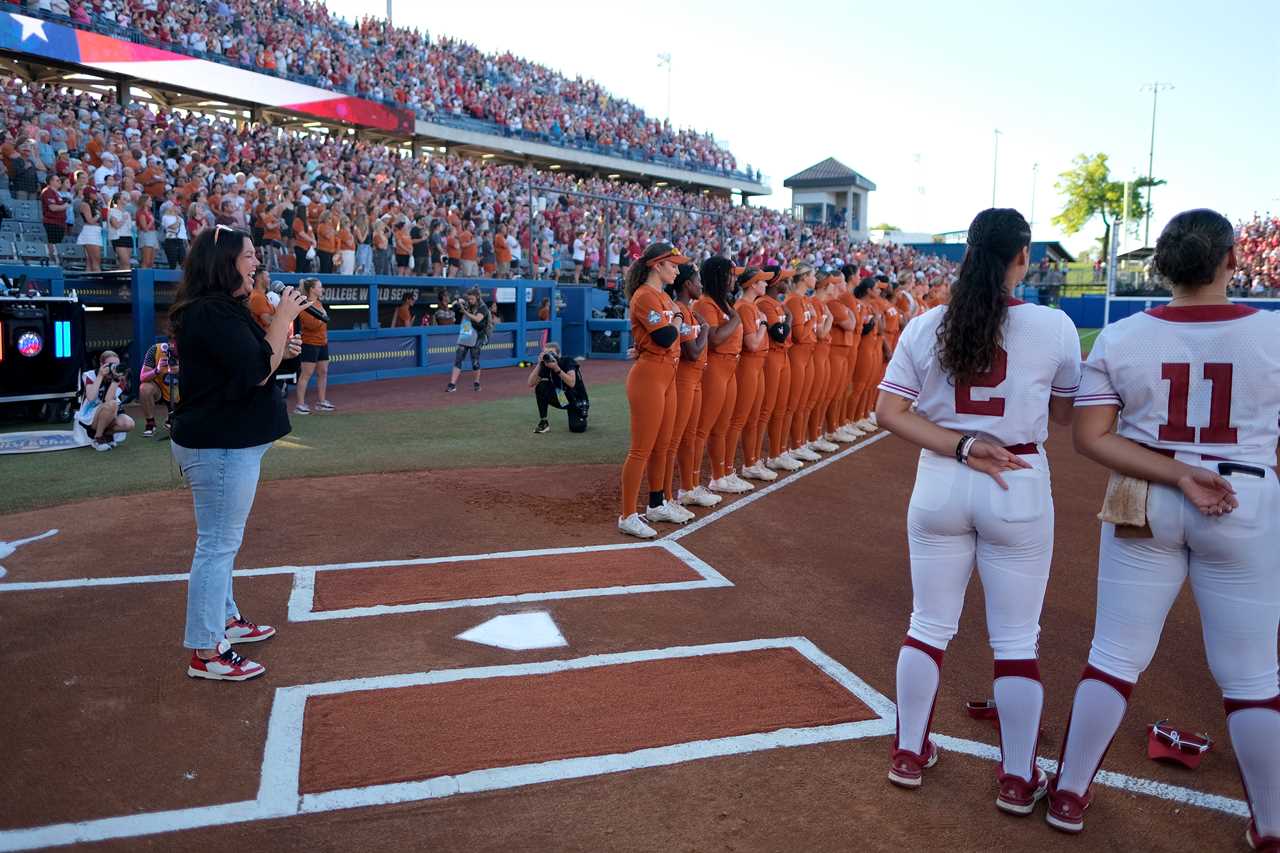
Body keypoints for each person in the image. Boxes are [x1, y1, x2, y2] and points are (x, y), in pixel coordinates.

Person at [1049, 209, 1280, 846]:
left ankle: (1068, 792)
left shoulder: (1122, 338)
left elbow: (1089, 437)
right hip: (1244, 497)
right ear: (1231, 260)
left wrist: (1177, 473)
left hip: (1145, 494)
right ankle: (1271, 824)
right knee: (1253, 675)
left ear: (1162, 265)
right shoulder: (1274, 334)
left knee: (1113, 656)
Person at [874, 208, 1080, 814]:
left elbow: (889, 413)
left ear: (967, 255)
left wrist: (961, 443)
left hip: (942, 477)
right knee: (1016, 640)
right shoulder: (1054, 325)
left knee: (927, 625)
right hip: (1016, 478)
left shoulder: (927, 324)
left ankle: (909, 751)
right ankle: (1018, 778)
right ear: (1022, 257)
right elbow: (1065, 418)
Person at [168, 224, 308, 681]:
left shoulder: (220, 309)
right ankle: (206, 651)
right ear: (225, 261)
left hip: (227, 441)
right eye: (248, 256)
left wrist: (280, 346)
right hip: (220, 444)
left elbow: (258, 365)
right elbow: (252, 372)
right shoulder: (212, 312)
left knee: (220, 544)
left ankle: (224, 619)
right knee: (217, 547)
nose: (256, 264)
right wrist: (282, 320)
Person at [618, 242, 689, 538]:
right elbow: (665, 336)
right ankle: (627, 514)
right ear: (657, 265)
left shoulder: (662, 296)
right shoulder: (645, 295)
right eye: (672, 264)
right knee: (641, 449)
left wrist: (677, 320)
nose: (677, 269)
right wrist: (678, 318)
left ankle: (657, 503)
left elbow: (679, 335)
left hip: (667, 374)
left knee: (664, 444)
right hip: (650, 375)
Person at [693, 256, 746, 495]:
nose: (733, 278)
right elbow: (715, 339)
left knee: (722, 427)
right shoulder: (706, 304)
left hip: (730, 369)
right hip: (715, 368)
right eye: (730, 274)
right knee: (702, 428)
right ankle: (691, 484)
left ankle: (720, 475)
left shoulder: (723, 303)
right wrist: (736, 319)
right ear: (718, 276)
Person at [669, 263, 716, 512]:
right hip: (684, 379)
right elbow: (693, 351)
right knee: (677, 439)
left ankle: (689, 487)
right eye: (697, 280)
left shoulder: (687, 310)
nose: (700, 285)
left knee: (690, 435)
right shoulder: (679, 309)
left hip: (694, 379)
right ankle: (670, 496)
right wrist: (706, 330)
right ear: (687, 284)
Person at [725, 267, 774, 483]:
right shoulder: (744, 308)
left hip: (758, 366)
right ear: (753, 284)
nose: (766, 285)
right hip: (747, 365)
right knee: (739, 419)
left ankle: (751, 463)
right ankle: (726, 470)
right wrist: (763, 324)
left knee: (754, 417)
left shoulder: (751, 307)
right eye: (762, 281)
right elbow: (752, 343)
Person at [758, 266, 798, 472]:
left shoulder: (777, 303)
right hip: (772, 356)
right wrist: (789, 318)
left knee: (781, 407)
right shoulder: (764, 302)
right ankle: (755, 460)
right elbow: (779, 333)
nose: (787, 282)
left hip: (782, 356)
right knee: (767, 409)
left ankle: (777, 453)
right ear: (774, 282)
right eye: (783, 279)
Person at [76, 350, 134, 451]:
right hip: (90, 415)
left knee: (129, 424)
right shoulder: (90, 375)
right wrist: (100, 376)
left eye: (116, 365)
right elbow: (91, 398)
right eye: (110, 364)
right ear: (101, 364)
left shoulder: (120, 378)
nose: (114, 367)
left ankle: (106, 434)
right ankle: (98, 438)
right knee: (111, 405)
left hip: (110, 411)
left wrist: (116, 380)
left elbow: (108, 399)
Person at [528, 342, 589, 434]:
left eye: (551, 353)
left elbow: (572, 383)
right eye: (546, 353)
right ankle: (543, 422)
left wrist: (556, 368)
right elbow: (530, 383)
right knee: (541, 386)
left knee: (577, 428)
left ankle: (579, 415)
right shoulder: (546, 365)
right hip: (562, 398)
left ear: (559, 355)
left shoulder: (567, 361)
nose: (549, 356)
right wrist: (539, 364)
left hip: (576, 399)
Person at [294, 277, 333, 414]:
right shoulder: (304, 305)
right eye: (319, 287)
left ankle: (322, 401)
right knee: (306, 374)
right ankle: (300, 404)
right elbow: (311, 325)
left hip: (322, 342)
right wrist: (323, 318)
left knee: (323, 372)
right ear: (312, 289)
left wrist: (322, 318)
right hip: (309, 343)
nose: (321, 289)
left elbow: (321, 322)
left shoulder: (318, 303)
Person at [446, 286, 490, 393]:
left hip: (479, 335)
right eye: (469, 299)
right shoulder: (467, 303)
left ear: (478, 297)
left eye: (472, 299)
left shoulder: (483, 308)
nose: (470, 301)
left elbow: (477, 319)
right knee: (458, 357)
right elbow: (454, 306)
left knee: (475, 360)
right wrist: (458, 302)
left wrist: (465, 312)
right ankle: (452, 384)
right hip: (466, 332)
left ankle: (476, 383)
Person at [138, 335, 180, 437]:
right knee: (144, 388)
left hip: (180, 392)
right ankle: (150, 423)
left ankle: (173, 417)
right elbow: (143, 377)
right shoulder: (156, 349)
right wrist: (156, 370)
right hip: (159, 389)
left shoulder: (194, 351)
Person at [40, 174, 67, 265]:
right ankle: (52, 262)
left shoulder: (56, 192)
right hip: (52, 223)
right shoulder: (48, 191)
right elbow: (52, 207)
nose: (60, 182)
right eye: (57, 180)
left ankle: (56, 262)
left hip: (60, 223)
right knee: (52, 243)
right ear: (51, 182)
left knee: (57, 244)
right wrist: (65, 206)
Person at [77, 188, 103, 272]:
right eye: (94, 193)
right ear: (89, 194)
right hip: (90, 232)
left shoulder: (95, 204)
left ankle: (89, 281)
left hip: (96, 231)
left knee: (90, 261)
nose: (96, 195)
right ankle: (97, 282)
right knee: (96, 260)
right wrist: (98, 215)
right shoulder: (85, 204)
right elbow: (90, 220)